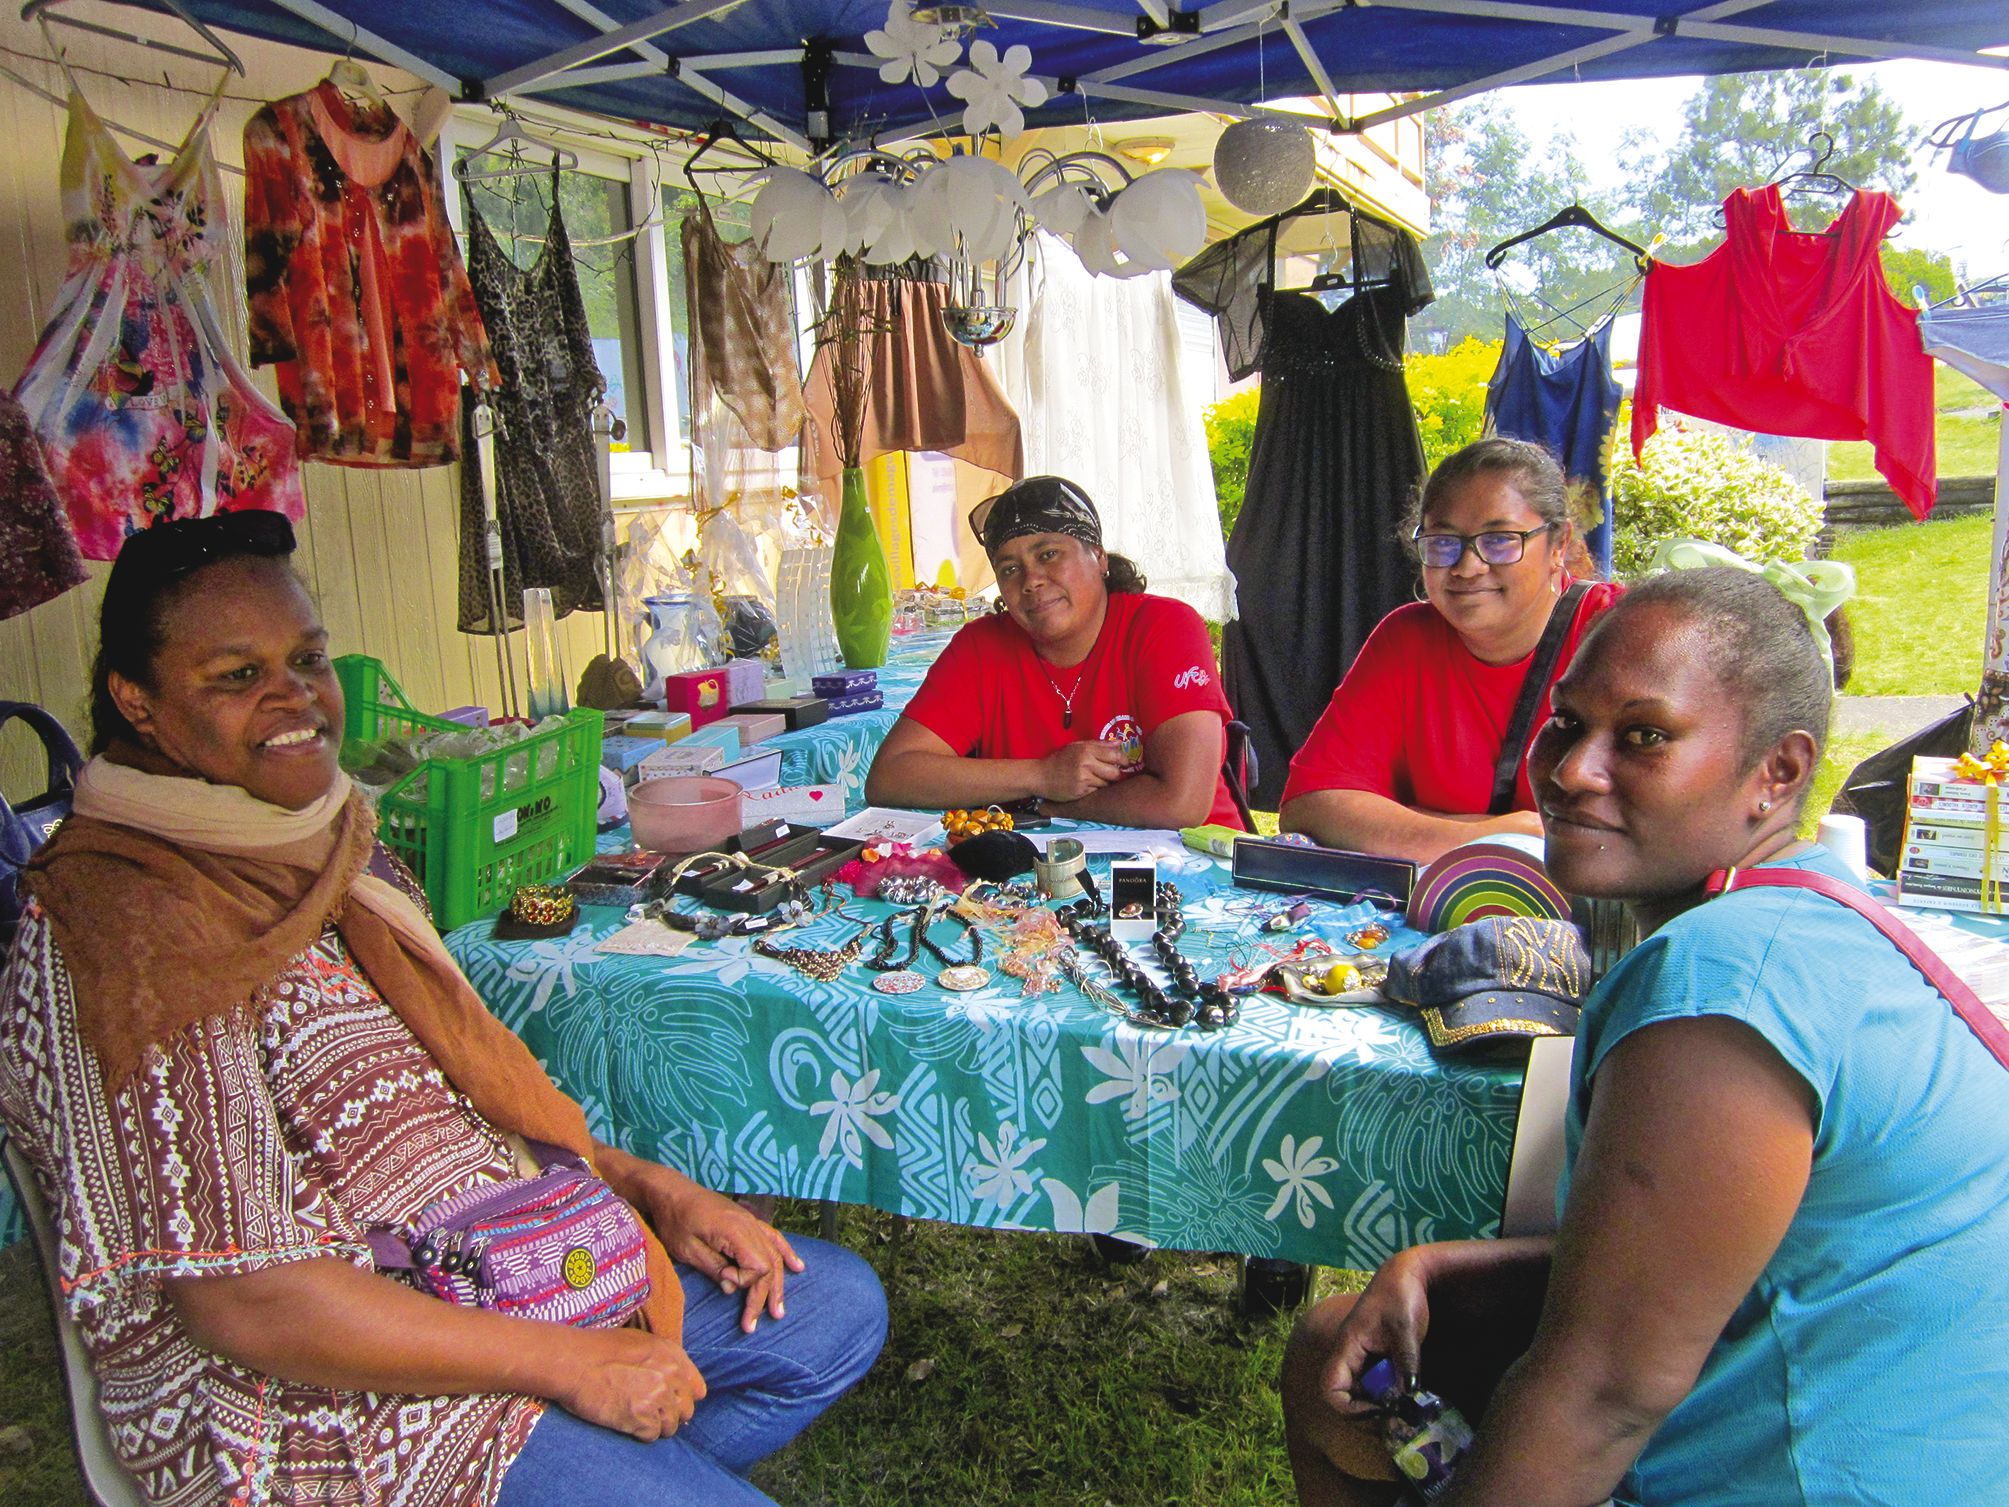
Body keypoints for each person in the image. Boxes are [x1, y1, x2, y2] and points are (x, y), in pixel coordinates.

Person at [0, 512, 887, 1507]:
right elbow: (247, 1300)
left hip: (500, 1263)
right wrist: (567, 1366)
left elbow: (469, 1107)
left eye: (307, 659)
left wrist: (648, 1189)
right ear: (138, 701)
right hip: (316, 1390)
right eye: (237, 674)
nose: (294, 696)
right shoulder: (124, 928)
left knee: (831, 1311)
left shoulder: (331, 844)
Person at [1281, 567, 2009, 1507]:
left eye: (1643, 736)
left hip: (1807, 1472)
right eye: (1565, 723)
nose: (1571, 770)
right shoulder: (1822, 908)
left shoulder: (1721, 983)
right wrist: (1443, 1265)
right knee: (1330, 1353)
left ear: (1777, 772)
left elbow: (1601, 1396)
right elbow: (1715, 1250)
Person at [1279, 438, 1620, 863]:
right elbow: (1311, 805)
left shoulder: (1619, 634)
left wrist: (1412, 822)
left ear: (1558, 544)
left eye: (1500, 540)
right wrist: (1494, 835)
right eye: (1443, 542)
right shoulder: (1406, 639)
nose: (1467, 566)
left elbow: (1637, 830)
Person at [866, 474, 1242, 829]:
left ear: (1098, 556)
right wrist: (1042, 775)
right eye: (1009, 569)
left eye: (1048, 554)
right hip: (1035, 867)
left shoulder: (1164, 627)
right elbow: (891, 776)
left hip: (1194, 861)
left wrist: (1047, 806)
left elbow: (1182, 803)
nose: (1031, 581)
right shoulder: (980, 648)